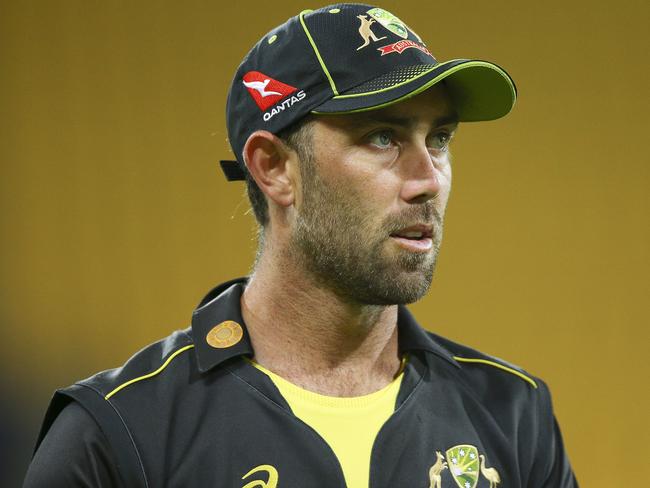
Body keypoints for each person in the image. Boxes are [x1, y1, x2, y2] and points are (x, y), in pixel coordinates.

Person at [24, 4, 578, 487]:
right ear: (274, 169)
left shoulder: (513, 415)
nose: (428, 178)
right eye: (382, 137)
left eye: (439, 139)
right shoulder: (121, 432)